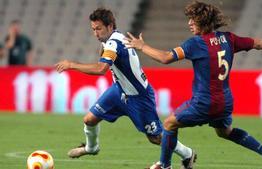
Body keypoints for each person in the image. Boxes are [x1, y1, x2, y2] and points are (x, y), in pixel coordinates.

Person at [124, 1, 262, 169]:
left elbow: (165, 57)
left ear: (204, 21)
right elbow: (254, 43)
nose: (189, 23)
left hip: (204, 102)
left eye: (193, 19)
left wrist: (142, 46)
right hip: (225, 102)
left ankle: (164, 165)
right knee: (225, 132)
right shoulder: (229, 38)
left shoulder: (196, 43)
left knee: (169, 124)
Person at [55, 8, 196, 169]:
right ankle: (91, 148)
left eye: (99, 28)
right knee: (89, 120)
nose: (95, 33)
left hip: (139, 97)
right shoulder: (109, 40)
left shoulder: (114, 43)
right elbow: (108, 60)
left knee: (155, 138)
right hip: (119, 91)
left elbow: (101, 69)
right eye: (93, 29)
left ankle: (187, 154)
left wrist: (71, 64)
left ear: (110, 26)